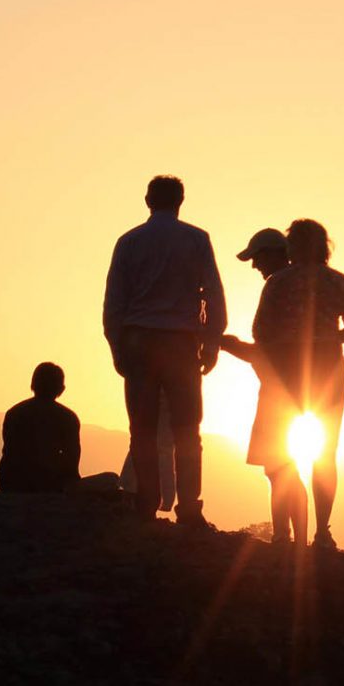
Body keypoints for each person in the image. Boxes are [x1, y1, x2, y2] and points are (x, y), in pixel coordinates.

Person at [102, 175, 226, 525]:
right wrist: (212, 341)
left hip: (139, 340)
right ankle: (189, 506)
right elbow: (213, 293)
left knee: (142, 427)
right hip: (182, 343)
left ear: (147, 200)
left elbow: (114, 300)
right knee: (188, 429)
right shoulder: (196, 239)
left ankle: (146, 499)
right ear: (181, 201)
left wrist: (116, 344)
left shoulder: (128, 241)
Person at [251, 218, 344, 549]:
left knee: (278, 452)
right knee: (326, 454)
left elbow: (260, 330)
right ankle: (322, 532)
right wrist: (328, 338)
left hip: (286, 369)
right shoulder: (339, 282)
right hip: (328, 368)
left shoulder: (278, 282)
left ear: (292, 248)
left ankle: (284, 533)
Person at [220, 228, 305, 545]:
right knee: (284, 466)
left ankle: (286, 538)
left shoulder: (278, 285)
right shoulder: (301, 286)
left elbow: (268, 351)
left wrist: (231, 346)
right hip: (300, 388)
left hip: (278, 391)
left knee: (278, 467)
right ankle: (294, 538)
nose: (255, 266)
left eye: (257, 258)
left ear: (273, 253)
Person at [0, 363, 82, 493]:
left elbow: (9, 451)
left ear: (33, 384)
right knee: (110, 478)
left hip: (12, 481)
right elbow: (72, 460)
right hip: (50, 483)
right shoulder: (68, 417)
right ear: (61, 389)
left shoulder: (15, 412)